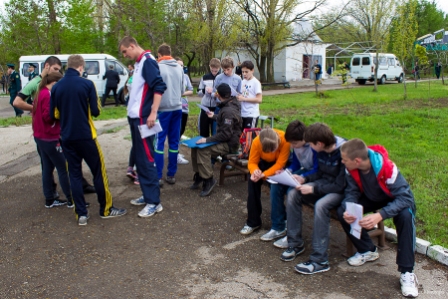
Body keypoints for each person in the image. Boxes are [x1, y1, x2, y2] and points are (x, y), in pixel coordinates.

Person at [50, 54, 127, 225]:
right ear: (81, 67)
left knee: (75, 175)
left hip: (67, 137)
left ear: (67, 66)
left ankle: (81, 214)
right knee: (99, 172)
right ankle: (106, 209)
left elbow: (53, 114)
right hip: (86, 136)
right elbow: (96, 111)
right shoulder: (87, 84)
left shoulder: (57, 87)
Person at [338, 138, 418, 298]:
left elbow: (405, 198)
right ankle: (367, 249)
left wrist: (380, 215)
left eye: (344, 159)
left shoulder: (388, 168)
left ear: (357, 160)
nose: (342, 162)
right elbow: (352, 192)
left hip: (396, 198)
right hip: (372, 197)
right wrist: (349, 207)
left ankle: (407, 272)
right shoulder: (351, 168)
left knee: (405, 216)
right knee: (342, 211)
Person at [13, 56, 95, 195]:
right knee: (51, 165)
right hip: (45, 131)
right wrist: (35, 108)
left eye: (59, 69)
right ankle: (56, 194)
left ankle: (78, 186)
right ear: (47, 66)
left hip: (56, 130)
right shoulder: (35, 83)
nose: (57, 72)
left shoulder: (54, 84)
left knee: (69, 158)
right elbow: (17, 102)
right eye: (55, 69)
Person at [280, 123, 346, 275]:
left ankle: (319, 260)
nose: (308, 147)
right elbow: (320, 174)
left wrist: (313, 188)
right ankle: (295, 244)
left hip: (340, 190)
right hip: (324, 184)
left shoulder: (343, 151)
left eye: (310, 144)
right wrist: (305, 179)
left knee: (321, 205)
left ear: (319, 143)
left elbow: (340, 185)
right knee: (293, 193)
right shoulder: (322, 150)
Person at [119, 36, 167, 218]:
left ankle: (154, 202)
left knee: (147, 158)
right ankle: (148, 195)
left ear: (132, 45)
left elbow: (159, 87)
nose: (125, 55)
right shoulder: (139, 63)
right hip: (135, 118)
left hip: (144, 119)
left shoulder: (148, 61)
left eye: (125, 51)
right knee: (140, 158)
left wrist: (153, 113)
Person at [261, 120, 318, 247]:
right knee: (275, 184)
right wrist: (287, 171)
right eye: (291, 143)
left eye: (295, 143)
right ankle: (278, 226)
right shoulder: (296, 145)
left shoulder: (314, 147)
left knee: (291, 191)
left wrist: (302, 177)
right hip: (302, 172)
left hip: (312, 176)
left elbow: (317, 169)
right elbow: (296, 163)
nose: (293, 146)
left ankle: (292, 234)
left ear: (305, 138)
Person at [190, 83, 242, 197]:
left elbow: (226, 135)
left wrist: (207, 140)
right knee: (195, 147)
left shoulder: (228, 110)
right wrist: (213, 116)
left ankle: (208, 179)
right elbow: (225, 120)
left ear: (219, 95)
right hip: (225, 139)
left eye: (216, 93)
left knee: (203, 150)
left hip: (229, 144)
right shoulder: (230, 103)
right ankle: (199, 175)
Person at [32, 71, 73, 208]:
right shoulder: (48, 95)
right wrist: (60, 114)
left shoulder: (40, 92)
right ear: (54, 83)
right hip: (49, 137)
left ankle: (49, 199)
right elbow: (48, 116)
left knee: (48, 168)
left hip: (40, 136)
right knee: (63, 167)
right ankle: (71, 198)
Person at [240, 128, 291, 235]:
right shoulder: (256, 141)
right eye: (267, 151)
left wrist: (263, 175)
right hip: (263, 164)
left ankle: (282, 219)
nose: (271, 152)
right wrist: (255, 172)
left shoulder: (285, 140)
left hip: (279, 166)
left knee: (276, 187)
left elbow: (280, 164)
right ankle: (253, 222)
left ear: (278, 141)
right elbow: (252, 162)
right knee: (252, 182)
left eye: (274, 149)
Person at [155, 43, 185, 186]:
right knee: (174, 142)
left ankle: (158, 176)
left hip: (163, 109)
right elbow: (183, 89)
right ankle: (171, 174)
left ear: (160, 55)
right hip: (177, 107)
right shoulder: (179, 68)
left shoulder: (158, 67)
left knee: (159, 142)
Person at [175, 57, 193, 165]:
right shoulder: (173, 76)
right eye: (178, 65)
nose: (180, 67)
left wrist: (182, 93)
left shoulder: (186, 77)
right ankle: (175, 153)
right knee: (176, 131)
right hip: (176, 107)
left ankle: (176, 151)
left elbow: (191, 90)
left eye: (182, 65)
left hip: (185, 107)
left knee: (181, 131)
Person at [197, 58, 221, 137]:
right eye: (212, 70)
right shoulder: (205, 77)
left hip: (216, 107)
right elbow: (198, 92)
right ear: (209, 66)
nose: (214, 72)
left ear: (219, 68)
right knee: (204, 128)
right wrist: (204, 90)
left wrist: (215, 92)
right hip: (205, 106)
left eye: (216, 70)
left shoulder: (221, 78)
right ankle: (204, 145)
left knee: (215, 130)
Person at [237, 60, 262, 129]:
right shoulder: (243, 82)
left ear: (252, 71)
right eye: (243, 72)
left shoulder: (256, 83)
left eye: (246, 72)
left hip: (251, 114)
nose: (244, 74)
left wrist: (244, 99)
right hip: (242, 113)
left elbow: (259, 99)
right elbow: (245, 94)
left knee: (249, 137)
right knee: (242, 137)